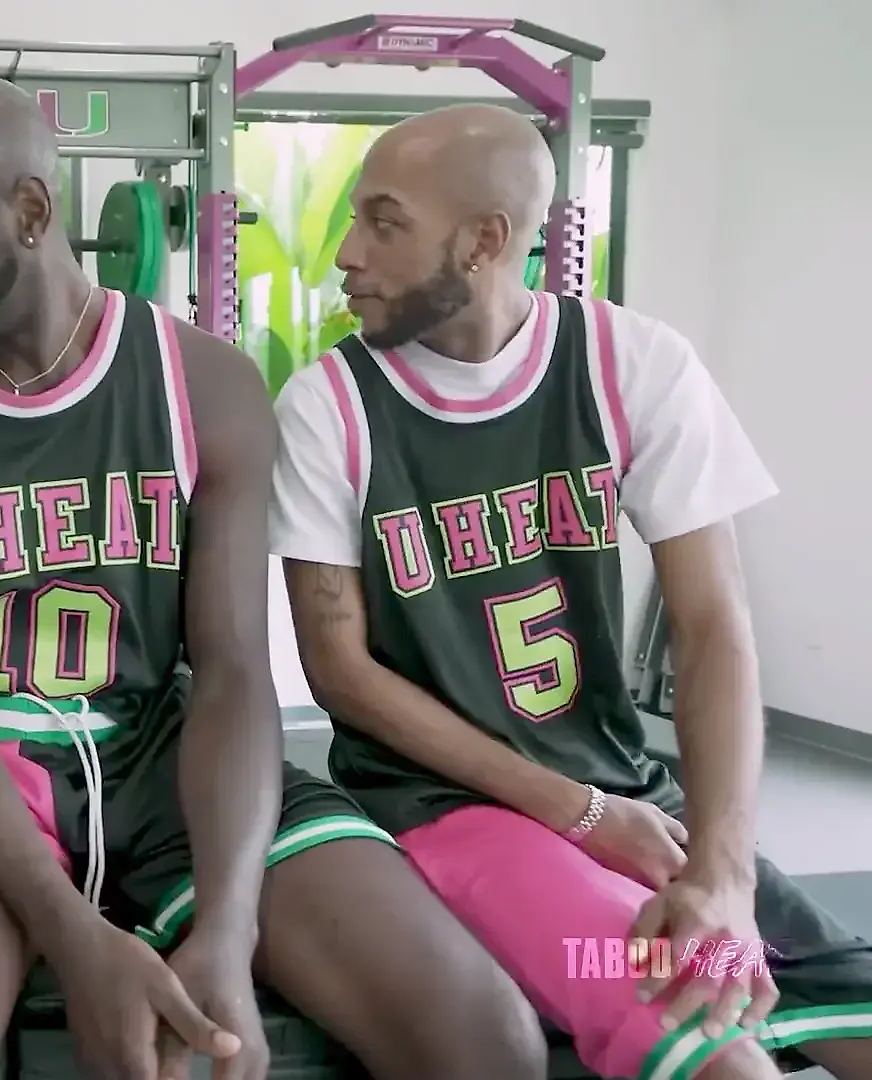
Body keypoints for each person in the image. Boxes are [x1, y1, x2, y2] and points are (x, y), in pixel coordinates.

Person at [0, 74, 547, 1080]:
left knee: (485, 1040)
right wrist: (76, 938)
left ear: (31, 213)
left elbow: (235, 671)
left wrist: (230, 930)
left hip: (162, 752)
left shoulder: (205, 382)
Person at [272, 103, 872, 1080]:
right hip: (450, 805)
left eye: (384, 223)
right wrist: (580, 814)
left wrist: (722, 870)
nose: (347, 253)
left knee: (825, 1000)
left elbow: (712, 626)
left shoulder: (632, 364)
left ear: (484, 241)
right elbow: (339, 670)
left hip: (627, 786)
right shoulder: (326, 408)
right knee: (705, 1034)